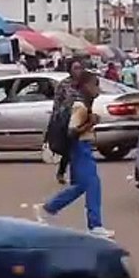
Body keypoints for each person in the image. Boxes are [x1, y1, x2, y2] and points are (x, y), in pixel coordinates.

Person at [38, 70, 115, 238]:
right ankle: (95, 225)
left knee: (80, 186)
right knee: (93, 185)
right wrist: (90, 123)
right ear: (86, 85)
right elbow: (72, 131)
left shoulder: (84, 103)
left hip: (80, 148)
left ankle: (49, 207)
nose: (98, 90)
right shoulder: (80, 106)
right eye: (95, 85)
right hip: (81, 148)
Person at [50, 59, 87, 184]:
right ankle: (62, 172)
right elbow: (57, 103)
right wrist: (56, 119)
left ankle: (76, 175)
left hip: (81, 119)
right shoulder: (64, 85)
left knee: (80, 148)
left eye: (80, 68)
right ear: (70, 69)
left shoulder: (85, 84)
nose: (78, 71)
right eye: (75, 68)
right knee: (68, 148)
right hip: (67, 119)